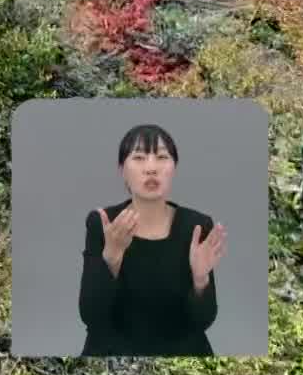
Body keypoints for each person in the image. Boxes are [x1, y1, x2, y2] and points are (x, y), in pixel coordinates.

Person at [78, 124, 227, 356]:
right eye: (138, 157)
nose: (151, 168)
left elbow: (203, 322)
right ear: (122, 170)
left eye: (161, 157)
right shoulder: (104, 224)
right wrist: (111, 258)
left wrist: (201, 280)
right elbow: (91, 317)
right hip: (114, 357)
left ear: (174, 167)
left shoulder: (197, 227)